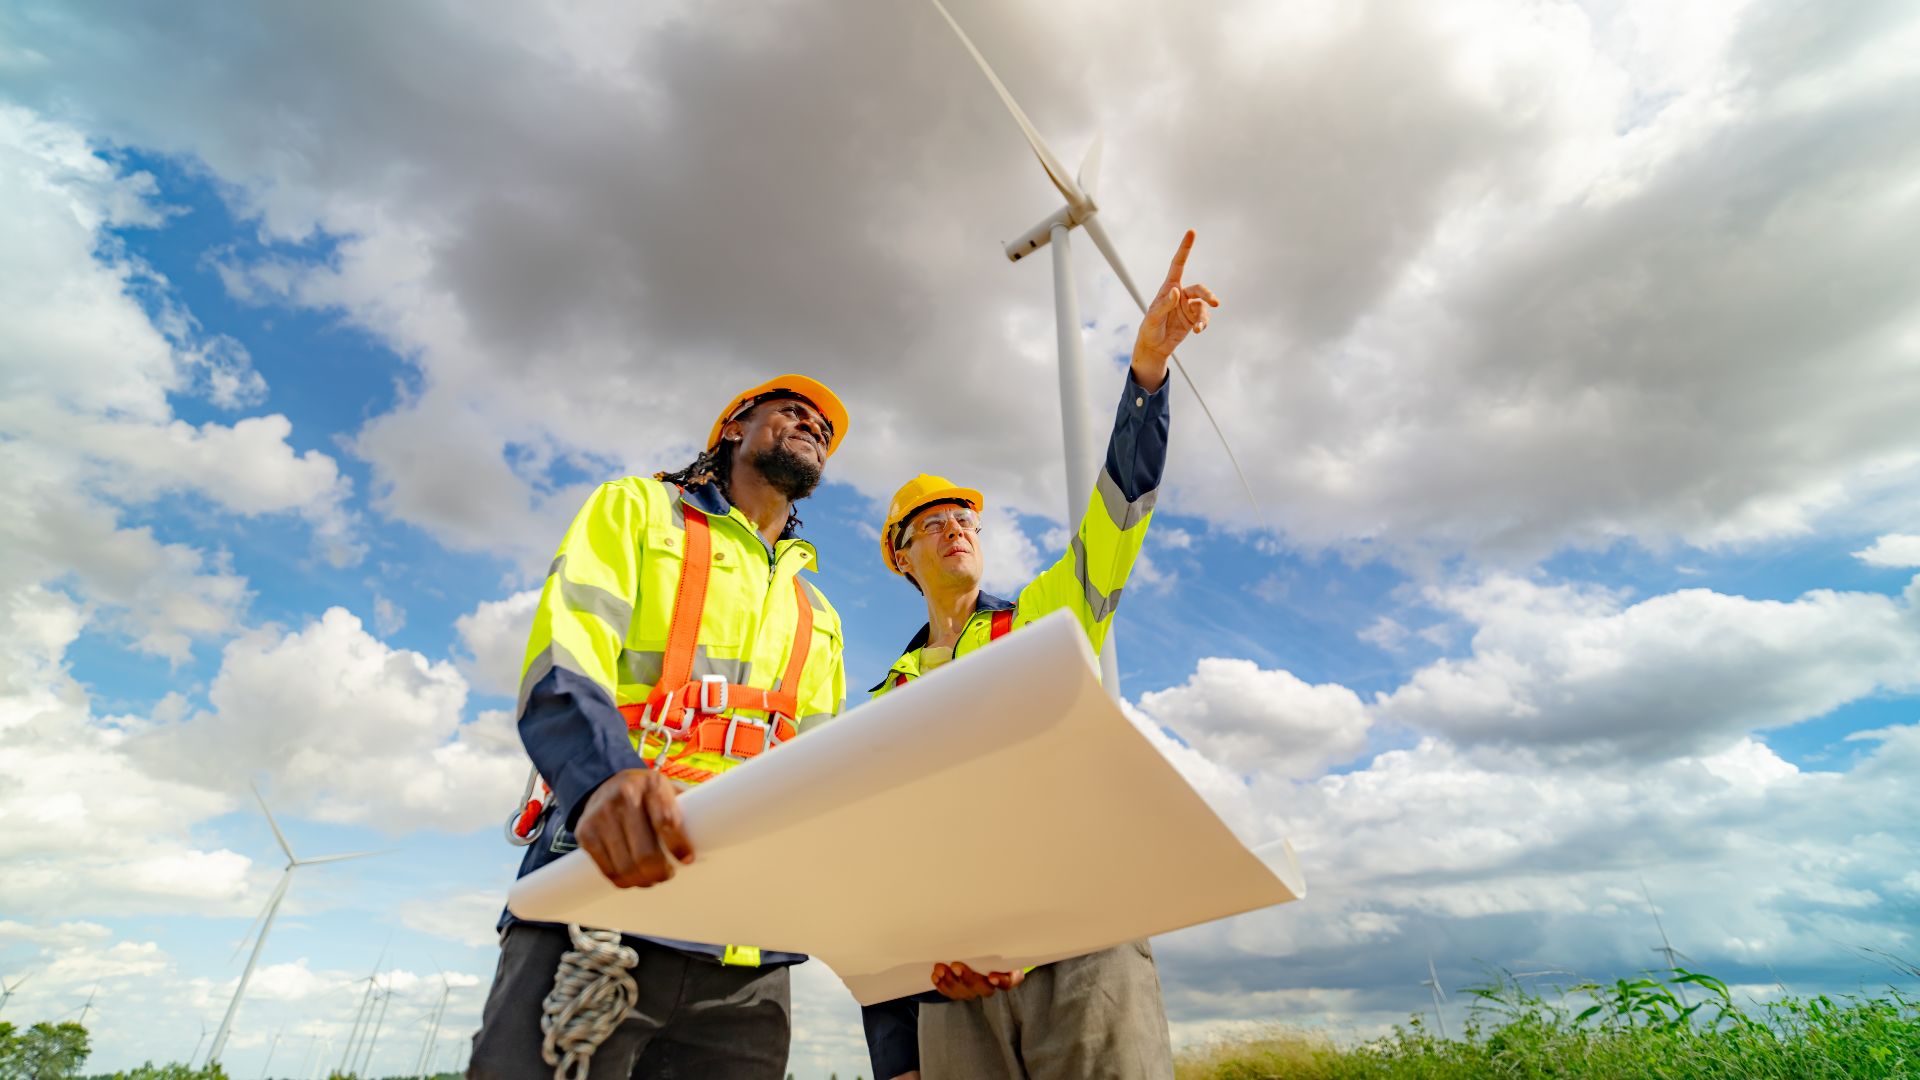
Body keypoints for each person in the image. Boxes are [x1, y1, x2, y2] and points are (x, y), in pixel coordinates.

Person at [862, 232, 1220, 1079]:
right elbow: (882, 866)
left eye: (965, 520)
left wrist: (1146, 376)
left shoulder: (1044, 616)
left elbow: (1119, 511)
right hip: (954, 980)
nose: (956, 529)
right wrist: (895, 1049)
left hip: (1082, 943)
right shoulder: (884, 701)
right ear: (901, 558)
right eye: (932, 525)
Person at [469, 376, 851, 1079]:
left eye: (823, 429)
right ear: (733, 428)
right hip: (604, 887)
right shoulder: (638, 509)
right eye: (792, 411)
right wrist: (601, 778)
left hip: (751, 944)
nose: (812, 426)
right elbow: (565, 655)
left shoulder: (818, 614)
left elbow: (824, 782)